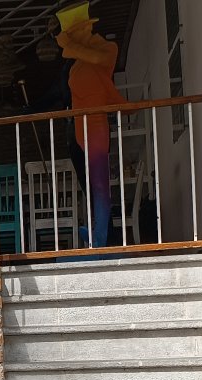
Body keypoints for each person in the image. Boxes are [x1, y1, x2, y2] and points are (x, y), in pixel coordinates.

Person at [56, 1, 125, 249]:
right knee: (90, 185)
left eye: (75, 34)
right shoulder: (75, 66)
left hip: (96, 124)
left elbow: (97, 57)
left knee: (99, 183)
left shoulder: (106, 49)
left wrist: (70, 46)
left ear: (85, 29)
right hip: (77, 129)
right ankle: (98, 233)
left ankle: (103, 237)